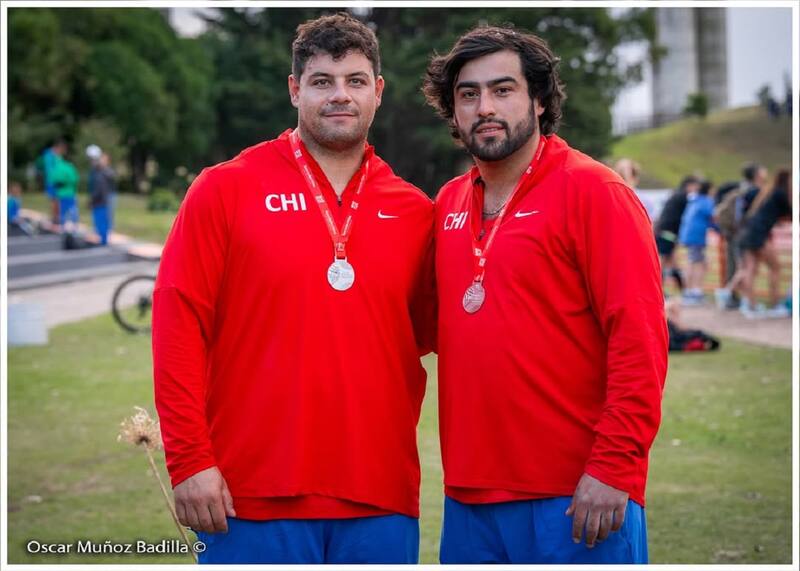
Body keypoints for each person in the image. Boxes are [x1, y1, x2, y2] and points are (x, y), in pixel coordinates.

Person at [152, 13, 435, 565]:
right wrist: (189, 461)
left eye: (355, 81)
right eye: (322, 81)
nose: (340, 96)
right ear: (294, 89)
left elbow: (443, 335)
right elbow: (178, 325)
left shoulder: (415, 210)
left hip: (379, 494)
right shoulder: (225, 189)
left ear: (378, 91)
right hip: (249, 492)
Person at [423, 26, 668, 564]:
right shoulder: (447, 203)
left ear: (537, 100)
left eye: (503, 89)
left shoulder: (596, 192)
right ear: (454, 111)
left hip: (577, 495)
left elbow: (640, 341)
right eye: (469, 94)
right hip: (469, 498)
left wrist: (614, 468)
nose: (485, 107)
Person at [716, 169, 792, 318]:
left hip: (746, 231)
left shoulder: (768, 192)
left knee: (749, 268)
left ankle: (747, 303)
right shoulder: (780, 194)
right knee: (775, 267)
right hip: (757, 234)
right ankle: (775, 304)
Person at [713, 162, 768, 309]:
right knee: (744, 268)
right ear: (757, 174)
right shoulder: (753, 192)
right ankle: (738, 299)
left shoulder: (741, 190)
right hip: (744, 234)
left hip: (735, 233)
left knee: (739, 267)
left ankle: (733, 297)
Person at [654, 175, 700, 296]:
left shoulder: (676, 195)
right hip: (668, 233)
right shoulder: (683, 198)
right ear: (689, 185)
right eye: (695, 186)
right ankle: (659, 290)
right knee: (662, 261)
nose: (696, 189)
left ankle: (682, 291)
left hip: (664, 231)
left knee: (671, 262)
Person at [678, 179, 717, 305]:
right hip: (696, 236)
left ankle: (689, 291)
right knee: (696, 263)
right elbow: (713, 217)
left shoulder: (694, 200)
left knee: (694, 261)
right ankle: (694, 292)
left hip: (688, 234)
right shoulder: (706, 201)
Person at [87, 149, 116, 245]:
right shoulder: (96, 171)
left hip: (105, 197)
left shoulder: (107, 171)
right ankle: (101, 237)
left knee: (106, 218)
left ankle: (105, 238)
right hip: (100, 198)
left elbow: (110, 177)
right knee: (99, 220)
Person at [49, 145, 80, 229]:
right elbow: (75, 179)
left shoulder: (58, 166)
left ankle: (64, 226)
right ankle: (73, 226)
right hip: (70, 193)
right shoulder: (70, 167)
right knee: (72, 211)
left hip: (62, 193)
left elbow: (54, 180)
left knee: (63, 212)